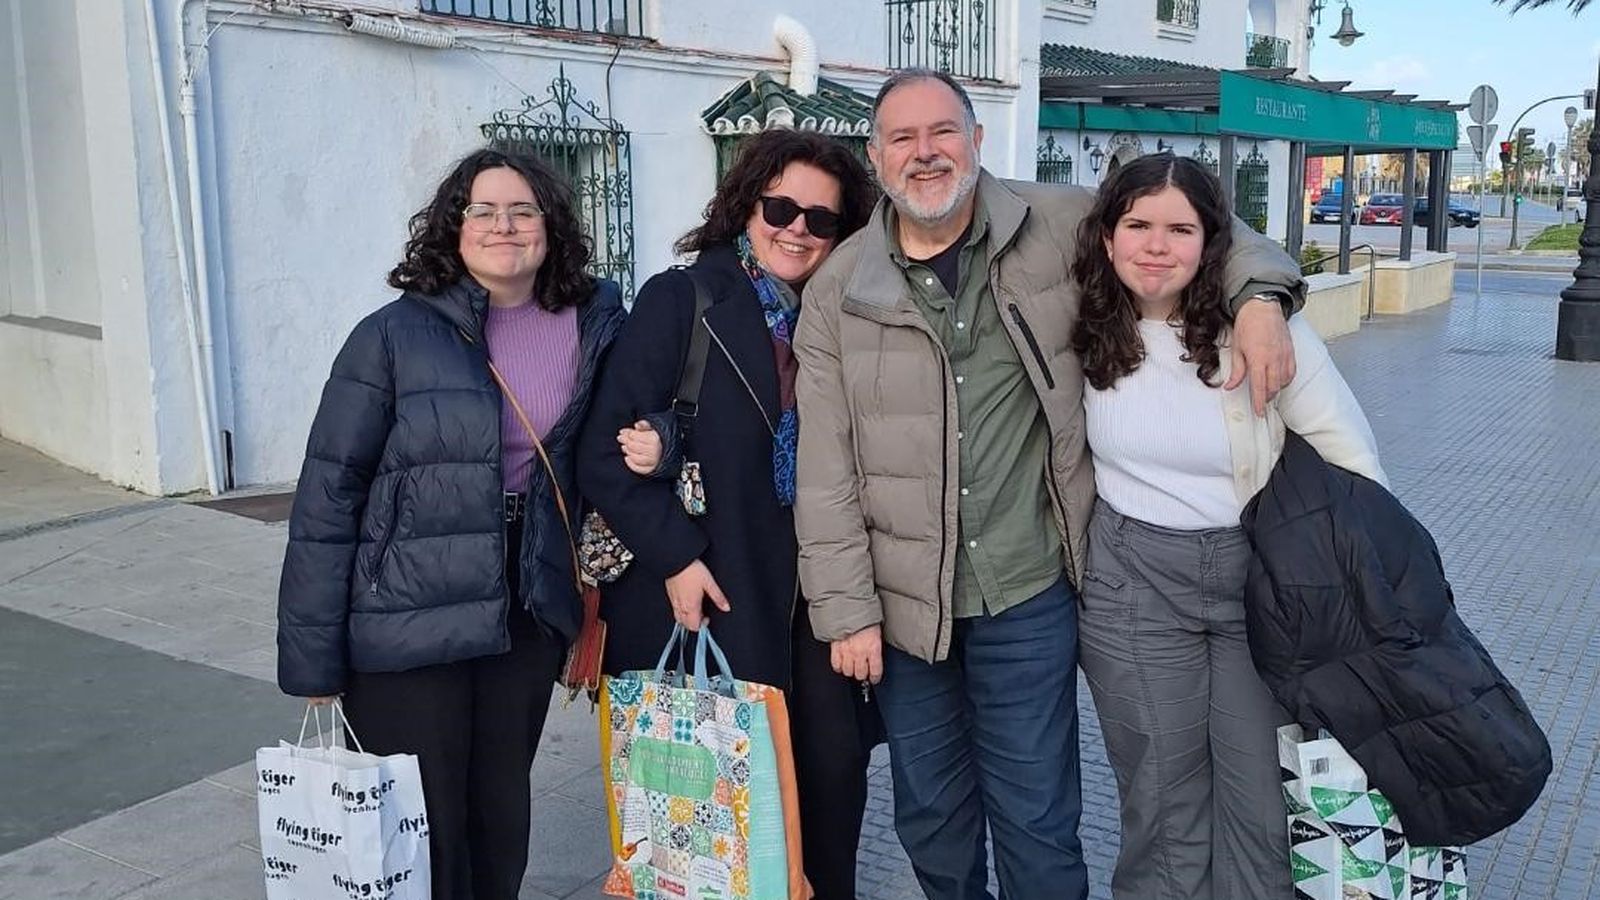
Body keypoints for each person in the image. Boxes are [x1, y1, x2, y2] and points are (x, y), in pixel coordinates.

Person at [791, 70, 1305, 900]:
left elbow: (1195, 224)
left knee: (1036, 813)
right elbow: (825, 467)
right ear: (876, 157)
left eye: (943, 132)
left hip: (1028, 591)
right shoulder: (838, 290)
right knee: (930, 815)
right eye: (902, 139)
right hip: (902, 606)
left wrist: (1258, 299)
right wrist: (845, 608)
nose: (926, 154)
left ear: (976, 138)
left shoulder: (1058, 223)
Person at [276, 148, 624, 900]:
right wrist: (313, 659)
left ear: (551, 226)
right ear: (452, 228)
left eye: (524, 210)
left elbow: (623, 427)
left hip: (525, 604)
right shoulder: (392, 335)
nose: (505, 226)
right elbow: (328, 495)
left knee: (499, 811)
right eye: (484, 211)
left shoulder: (592, 326)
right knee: (418, 818)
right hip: (408, 607)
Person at [1071, 153, 1387, 899]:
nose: (1156, 245)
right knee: (1160, 797)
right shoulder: (1080, 325)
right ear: (1107, 234)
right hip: (1133, 585)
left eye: (1180, 228)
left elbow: (1354, 464)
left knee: (1260, 801)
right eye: (1137, 224)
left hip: (1261, 586)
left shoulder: (1267, 331)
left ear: (1213, 240)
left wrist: (1357, 599)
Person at [575, 128, 880, 900]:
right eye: (781, 207)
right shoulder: (683, 303)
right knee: (712, 822)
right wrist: (676, 556)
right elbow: (604, 457)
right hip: (708, 597)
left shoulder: (844, 321)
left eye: (821, 219)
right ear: (747, 207)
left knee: (828, 791)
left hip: (816, 609)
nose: (797, 229)